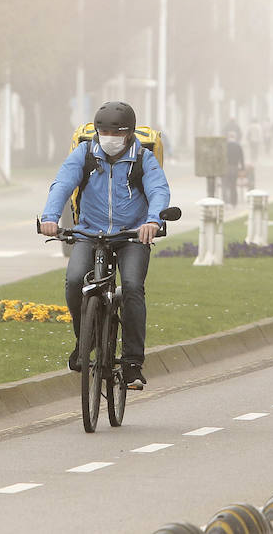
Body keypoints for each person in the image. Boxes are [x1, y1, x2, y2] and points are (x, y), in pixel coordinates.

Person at [39, 101, 171, 391]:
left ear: (129, 134)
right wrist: (50, 217)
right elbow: (62, 183)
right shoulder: (85, 153)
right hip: (89, 232)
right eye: (104, 131)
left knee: (134, 286)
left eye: (116, 132)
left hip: (132, 235)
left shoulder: (143, 159)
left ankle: (133, 363)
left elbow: (159, 191)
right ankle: (83, 342)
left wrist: (152, 222)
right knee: (74, 281)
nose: (109, 137)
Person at [223, 130, 246, 207]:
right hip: (235, 167)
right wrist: (242, 169)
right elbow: (242, 158)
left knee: (225, 185)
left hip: (226, 167)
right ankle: (234, 202)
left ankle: (226, 202)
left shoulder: (225, 145)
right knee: (233, 185)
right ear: (235, 137)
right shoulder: (238, 146)